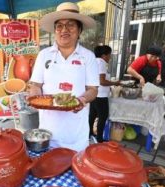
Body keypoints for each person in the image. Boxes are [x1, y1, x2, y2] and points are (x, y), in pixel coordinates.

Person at [28, 2, 99, 152]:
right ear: (55, 30)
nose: (64, 30)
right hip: (48, 132)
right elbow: (35, 84)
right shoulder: (44, 55)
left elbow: (93, 89)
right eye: (59, 26)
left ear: (79, 30)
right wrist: (34, 97)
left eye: (70, 25)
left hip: (76, 133)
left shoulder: (88, 57)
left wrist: (83, 99)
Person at [89, 45, 120, 143]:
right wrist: (115, 83)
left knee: (92, 115)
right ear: (104, 55)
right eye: (109, 55)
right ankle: (99, 139)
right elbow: (102, 81)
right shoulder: (101, 63)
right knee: (103, 117)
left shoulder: (94, 61)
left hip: (94, 94)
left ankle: (89, 134)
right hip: (101, 95)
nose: (110, 57)